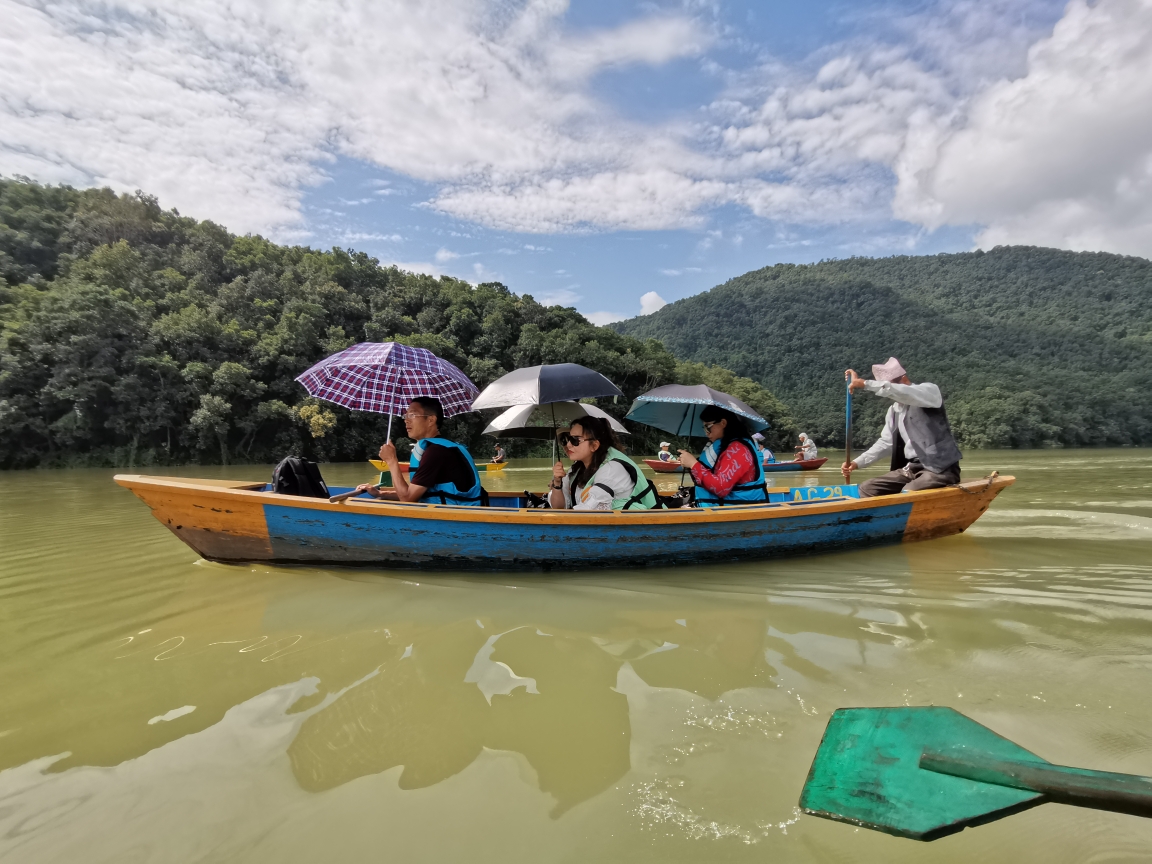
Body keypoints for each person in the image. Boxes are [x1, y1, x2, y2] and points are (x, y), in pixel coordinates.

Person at [841, 357, 962, 497]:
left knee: (909, 492)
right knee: (867, 488)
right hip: (911, 468)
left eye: (891, 386)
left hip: (940, 469)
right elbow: (886, 443)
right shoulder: (893, 411)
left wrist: (865, 384)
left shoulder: (929, 392)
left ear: (903, 380)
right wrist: (857, 463)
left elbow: (902, 392)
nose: (890, 394)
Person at [356, 396, 483, 505]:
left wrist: (392, 460)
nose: (406, 420)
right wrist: (380, 494)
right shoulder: (440, 448)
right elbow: (413, 493)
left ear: (431, 420)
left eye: (412, 414)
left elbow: (408, 499)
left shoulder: (436, 452)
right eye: (405, 415)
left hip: (453, 521)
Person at [549, 416, 658, 511]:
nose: (568, 445)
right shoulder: (576, 469)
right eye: (567, 439)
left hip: (642, 527)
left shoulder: (612, 469)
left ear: (594, 445)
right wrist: (557, 483)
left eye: (575, 440)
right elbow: (559, 507)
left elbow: (589, 511)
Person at [677, 405, 768, 507]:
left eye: (708, 427)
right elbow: (708, 480)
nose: (706, 432)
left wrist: (693, 464)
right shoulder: (726, 446)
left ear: (723, 423)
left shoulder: (738, 450)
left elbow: (721, 488)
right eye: (704, 427)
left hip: (739, 512)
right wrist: (689, 464)